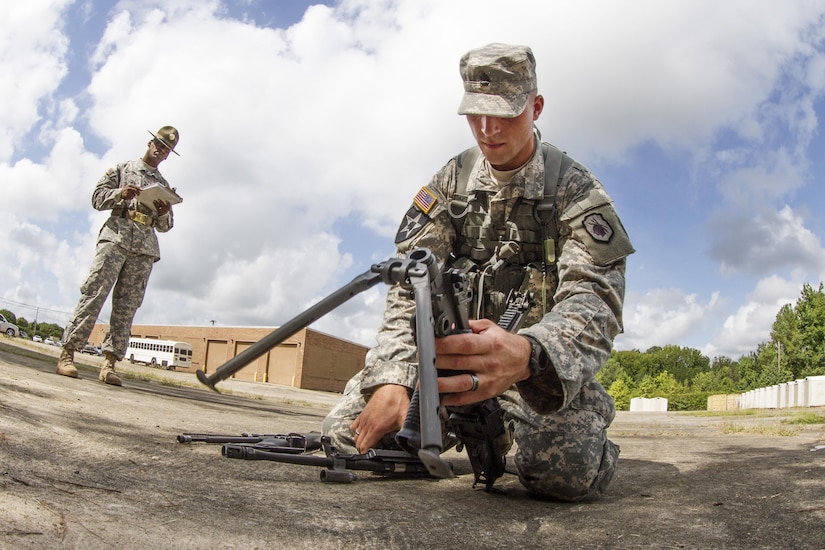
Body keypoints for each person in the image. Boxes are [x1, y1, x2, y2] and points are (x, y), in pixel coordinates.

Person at [322, 44, 635, 501]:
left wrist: (529, 353)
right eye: (476, 114)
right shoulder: (450, 184)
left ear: (536, 106)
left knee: (563, 475)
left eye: (505, 113)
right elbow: (409, 287)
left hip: (531, 374)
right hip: (447, 369)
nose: (488, 130)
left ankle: (565, 425)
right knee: (347, 440)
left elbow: (596, 301)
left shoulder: (575, 191)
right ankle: (475, 430)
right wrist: (396, 375)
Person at [56, 126, 181, 386]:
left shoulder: (164, 186)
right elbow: (96, 199)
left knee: (126, 307)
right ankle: (68, 354)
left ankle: (109, 364)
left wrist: (163, 211)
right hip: (115, 238)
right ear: (150, 143)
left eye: (166, 150)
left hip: (144, 248)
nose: (161, 151)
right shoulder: (123, 169)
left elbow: (166, 226)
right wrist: (119, 194)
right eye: (159, 145)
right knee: (94, 293)